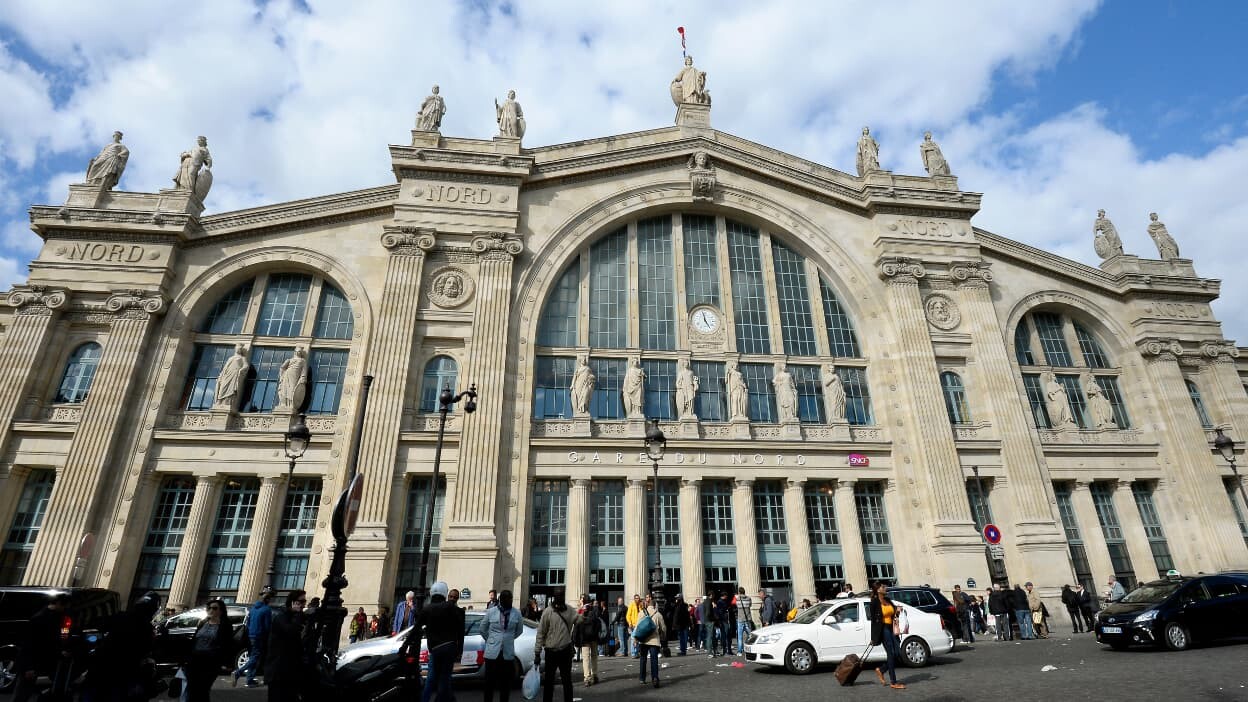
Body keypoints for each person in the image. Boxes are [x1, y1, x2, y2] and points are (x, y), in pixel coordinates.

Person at [83, 591, 162, 702]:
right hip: (123, 674)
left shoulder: (120, 617)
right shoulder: (147, 629)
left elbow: (98, 627)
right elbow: (147, 650)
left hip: (102, 669)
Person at [11, 592, 70, 702]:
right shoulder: (39, 618)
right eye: (64, 605)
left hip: (44, 661)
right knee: (22, 693)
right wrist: (29, 667)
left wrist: (61, 650)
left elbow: (59, 638)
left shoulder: (59, 618)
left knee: (31, 691)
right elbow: (29, 644)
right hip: (32, 662)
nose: (65, 608)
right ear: (58, 603)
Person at [420, 581, 464, 702]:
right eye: (451, 596)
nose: (453, 599)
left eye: (455, 597)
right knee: (436, 677)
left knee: (443, 677)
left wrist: (459, 650)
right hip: (437, 648)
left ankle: (442, 698)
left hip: (446, 649)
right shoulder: (437, 609)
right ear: (446, 596)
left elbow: (460, 633)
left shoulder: (459, 611)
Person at [185, 599, 233, 702]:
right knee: (191, 689)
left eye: (214, 608)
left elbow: (228, 645)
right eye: (209, 608)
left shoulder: (225, 625)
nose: (211, 610)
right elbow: (195, 640)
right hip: (195, 660)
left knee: (203, 689)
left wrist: (227, 663)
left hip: (211, 662)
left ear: (221, 611)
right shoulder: (203, 622)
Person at [482, 589, 523, 702]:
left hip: (507, 654)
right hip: (492, 654)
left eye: (509, 598)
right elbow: (482, 629)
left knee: (505, 685)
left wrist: (508, 639)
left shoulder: (516, 613)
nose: (507, 600)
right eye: (505, 598)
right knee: (489, 684)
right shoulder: (491, 612)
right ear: (500, 599)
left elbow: (519, 630)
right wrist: (491, 640)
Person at [266, 590, 307, 702]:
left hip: (290, 671)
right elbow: (291, 632)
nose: (304, 604)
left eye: (305, 601)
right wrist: (298, 616)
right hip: (279, 672)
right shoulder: (282, 617)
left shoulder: (295, 617)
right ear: (293, 602)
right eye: (302, 601)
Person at [535, 589, 576, 702]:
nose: (560, 597)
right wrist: (537, 652)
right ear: (554, 597)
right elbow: (541, 632)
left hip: (565, 650)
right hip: (551, 651)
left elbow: (578, 620)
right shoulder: (548, 612)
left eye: (562, 595)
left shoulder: (570, 610)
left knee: (567, 681)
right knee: (549, 681)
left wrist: (586, 617)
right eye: (558, 595)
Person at [867, 582, 906, 690]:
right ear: (878, 590)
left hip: (891, 628)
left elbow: (893, 615)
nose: (885, 588)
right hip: (883, 629)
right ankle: (893, 682)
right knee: (891, 653)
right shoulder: (874, 602)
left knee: (897, 653)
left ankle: (882, 669)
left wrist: (897, 611)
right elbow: (874, 621)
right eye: (883, 587)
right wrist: (873, 637)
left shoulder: (888, 600)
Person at [234, 587, 274, 687]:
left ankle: (250, 679)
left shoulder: (252, 609)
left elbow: (248, 622)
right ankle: (238, 672)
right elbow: (267, 626)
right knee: (255, 658)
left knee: (253, 657)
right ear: (268, 600)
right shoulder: (267, 609)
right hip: (259, 636)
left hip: (250, 635)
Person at [635, 594, 666, 688]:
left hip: (643, 640)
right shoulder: (658, 614)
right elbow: (663, 628)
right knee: (654, 660)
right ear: (654, 604)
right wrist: (662, 636)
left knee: (643, 659)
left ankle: (642, 678)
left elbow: (637, 628)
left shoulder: (641, 613)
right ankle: (655, 678)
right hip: (654, 640)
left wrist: (635, 639)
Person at [572, 595, 601, 686]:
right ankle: (594, 675)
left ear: (583, 601)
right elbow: (598, 622)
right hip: (593, 637)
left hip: (584, 637)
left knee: (585, 658)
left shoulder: (581, 610)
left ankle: (587, 678)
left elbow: (576, 622)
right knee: (594, 656)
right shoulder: (594, 609)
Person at [733, 588, 754, 654]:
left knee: (740, 636)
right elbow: (750, 605)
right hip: (748, 619)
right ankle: (751, 649)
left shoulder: (738, 599)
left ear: (739, 592)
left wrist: (736, 597)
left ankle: (739, 651)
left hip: (740, 619)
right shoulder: (749, 598)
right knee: (750, 635)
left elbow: (735, 605)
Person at [713, 591, 732, 656]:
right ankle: (725, 650)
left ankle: (727, 650)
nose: (727, 597)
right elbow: (720, 612)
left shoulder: (722, 602)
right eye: (726, 596)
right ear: (724, 595)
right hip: (723, 621)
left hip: (724, 620)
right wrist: (726, 610)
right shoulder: (720, 602)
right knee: (725, 635)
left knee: (726, 635)